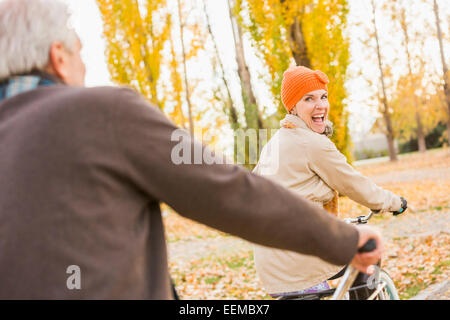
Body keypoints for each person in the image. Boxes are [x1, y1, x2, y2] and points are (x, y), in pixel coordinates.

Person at [0, 0, 382, 299]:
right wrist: (346, 240)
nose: (84, 67)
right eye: (80, 52)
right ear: (59, 57)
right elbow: (227, 191)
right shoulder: (102, 113)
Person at [252, 65, 407, 299]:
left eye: (323, 97)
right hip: (301, 259)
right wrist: (394, 202)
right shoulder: (312, 143)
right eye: (309, 99)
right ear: (293, 106)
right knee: (367, 252)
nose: (320, 105)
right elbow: (354, 184)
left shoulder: (275, 143)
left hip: (272, 263)